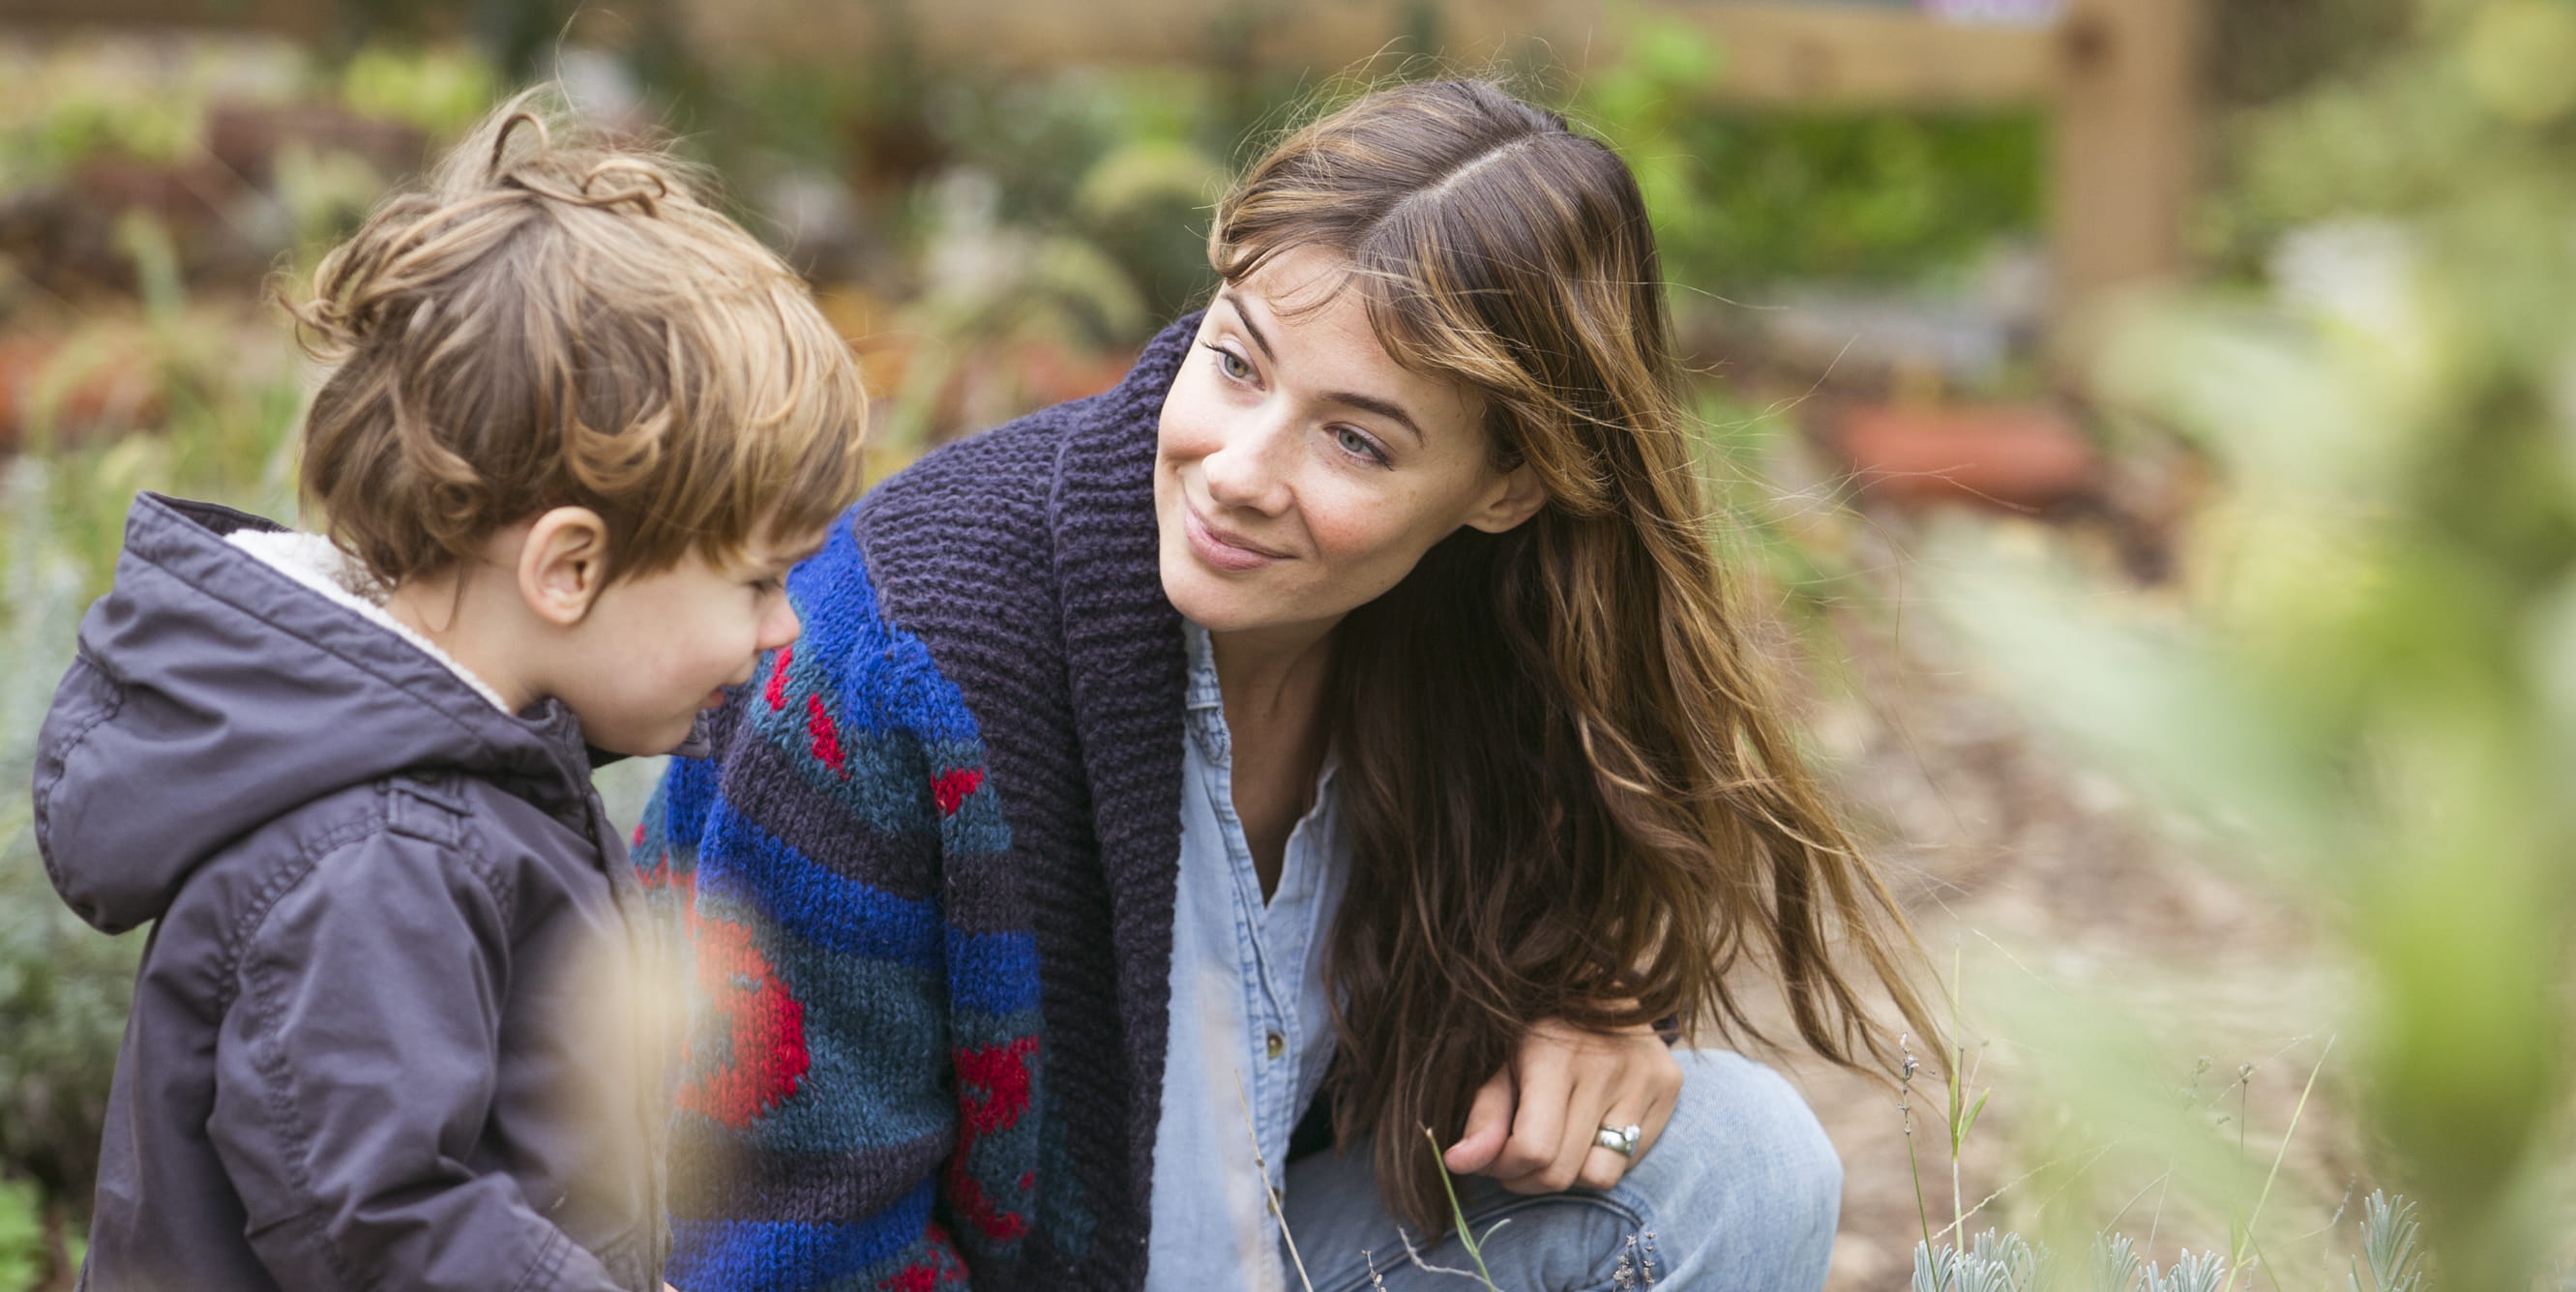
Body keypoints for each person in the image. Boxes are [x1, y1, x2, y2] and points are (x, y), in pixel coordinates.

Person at [640, 78, 1936, 1291]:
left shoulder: (1479, 636)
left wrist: (1581, 1001)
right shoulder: (897, 659)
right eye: (1238, 363)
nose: (1241, 470)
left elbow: (1536, 932)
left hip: (1249, 1254)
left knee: (1739, 1161)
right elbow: (778, 1241)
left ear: (1507, 488)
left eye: (1357, 440)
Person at [32, 96, 866, 1292]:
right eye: (754, 581)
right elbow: (380, 1222)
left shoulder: (465, 773)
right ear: (568, 568)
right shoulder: (379, 849)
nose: (783, 626)